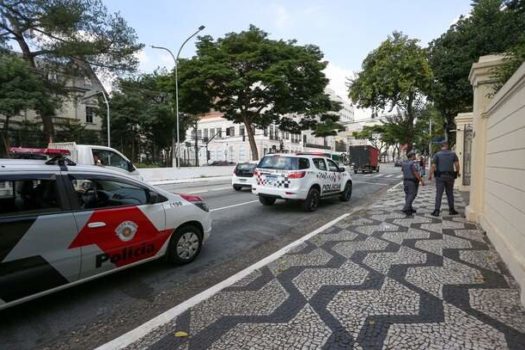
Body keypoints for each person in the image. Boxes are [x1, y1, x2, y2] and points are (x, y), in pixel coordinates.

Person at [428, 141, 460, 216]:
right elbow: (457, 164)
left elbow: (433, 166)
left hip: (440, 177)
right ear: (447, 146)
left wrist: (430, 175)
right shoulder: (453, 154)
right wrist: (458, 172)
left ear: (441, 146)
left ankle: (436, 211)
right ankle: (451, 210)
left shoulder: (437, 155)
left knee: (439, 194)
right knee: (450, 193)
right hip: (450, 176)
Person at [401, 151, 425, 217]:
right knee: (412, 195)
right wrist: (421, 181)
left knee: (408, 195)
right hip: (412, 181)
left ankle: (409, 208)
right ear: (412, 156)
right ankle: (406, 208)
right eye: (414, 155)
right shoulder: (413, 163)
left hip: (406, 181)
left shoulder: (404, 163)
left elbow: (403, 171)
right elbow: (415, 173)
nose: (415, 157)